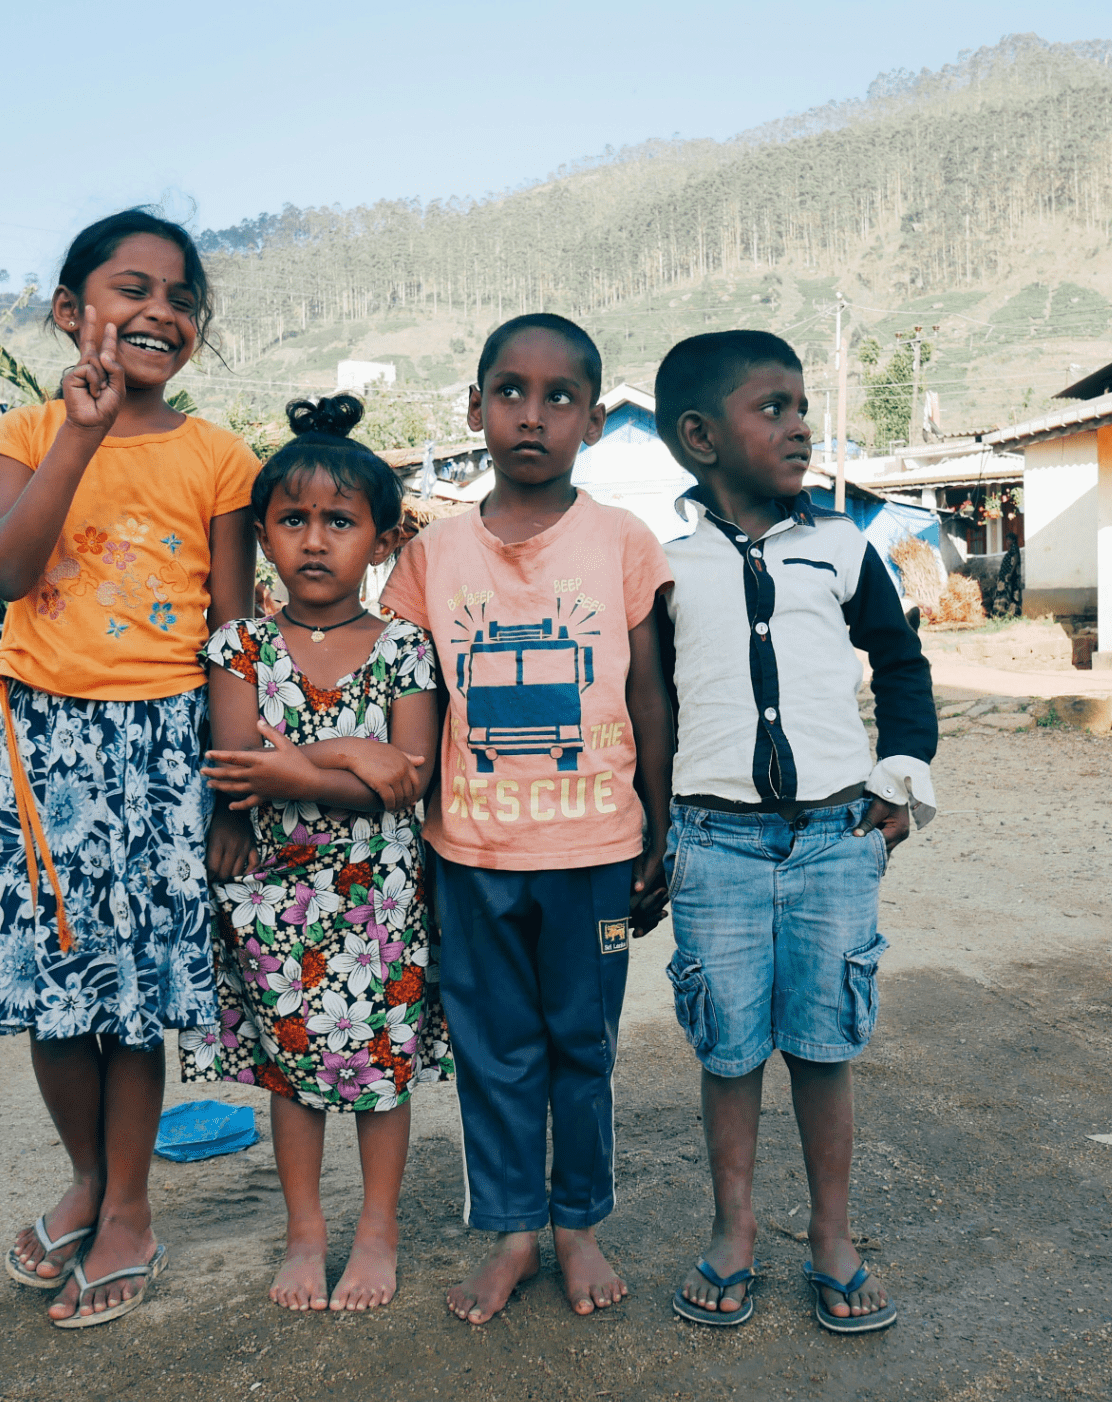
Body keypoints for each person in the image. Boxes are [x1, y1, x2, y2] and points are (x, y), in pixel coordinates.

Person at [0, 209, 258, 1327]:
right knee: (57, 987)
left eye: (181, 297)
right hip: (47, 740)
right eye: (131, 287)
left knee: (136, 996)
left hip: (165, 741)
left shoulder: (218, 456)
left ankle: (130, 1204)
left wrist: (233, 784)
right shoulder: (23, 429)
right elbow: (5, 571)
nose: (160, 310)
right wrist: (77, 439)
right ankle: (85, 1176)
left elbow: (232, 635)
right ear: (68, 312)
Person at [379, 313, 675, 1325]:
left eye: (559, 397)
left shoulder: (623, 543)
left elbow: (649, 695)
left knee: (579, 1045)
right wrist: (418, 844)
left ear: (592, 420)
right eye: (509, 391)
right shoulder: (431, 558)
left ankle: (577, 1223)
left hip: (594, 847)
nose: (532, 415)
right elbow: (412, 708)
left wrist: (658, 824)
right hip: (470, 851)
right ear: (473, 410)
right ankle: (511, 1228)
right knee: (492, 1047)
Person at [652, 330, 938, 1334]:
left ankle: (829, 1233)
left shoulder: (843, 549)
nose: (800, 424)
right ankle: (732, 1229)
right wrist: (653, 835)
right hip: (711, 844)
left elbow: (899, 667)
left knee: (822, 1045)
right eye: (769, 406)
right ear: (698, 437)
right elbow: (650, 708)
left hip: (831, 840)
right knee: (727, 1049)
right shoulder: (665, 565)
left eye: (800, 405)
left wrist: (900, 779)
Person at [188, 396, 450, 1314]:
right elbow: (239, 765)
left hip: (380, 899)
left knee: (379, 1074)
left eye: (340, 521)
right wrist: (351, 756)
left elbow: (409, 781)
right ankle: (307, 1232)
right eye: (292, 520)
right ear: (263, 535)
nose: (314, 539)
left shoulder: (407, 647)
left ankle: (376, 1230)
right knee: (291, 1076)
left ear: (381, 542)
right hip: (274, 899)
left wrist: (299, 765)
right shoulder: (238, 646)